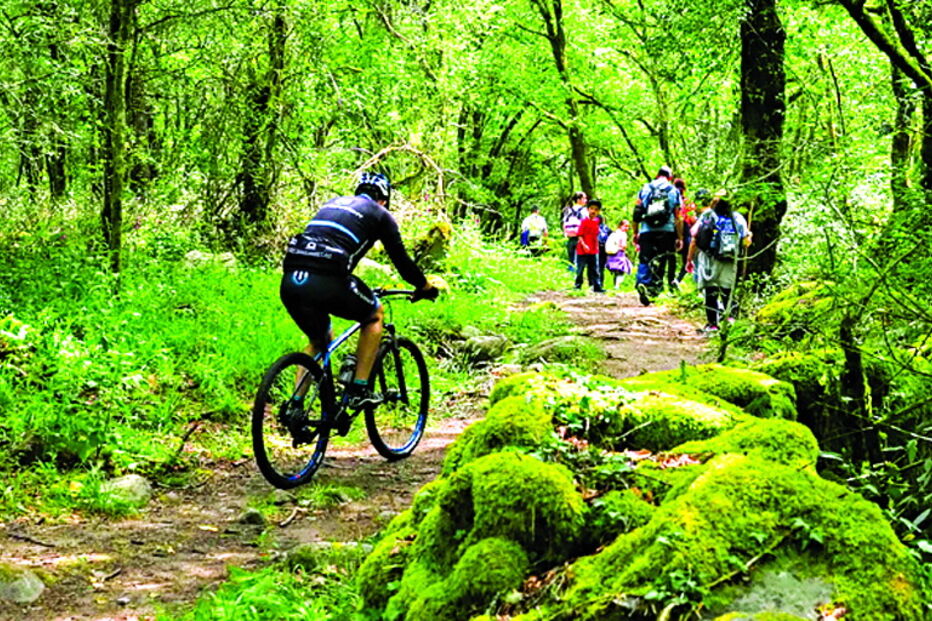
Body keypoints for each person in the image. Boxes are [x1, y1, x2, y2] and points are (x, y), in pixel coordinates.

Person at [280, 172, 438, 411]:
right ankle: (359, 390)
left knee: (319, 339)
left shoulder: (332, 204)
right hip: (328, 277)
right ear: (384, 200)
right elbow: (403, 263)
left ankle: (295, 406)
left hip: (291, 279)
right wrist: (424, 287)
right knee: (374, 314)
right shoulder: (380, 214)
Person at [686, 192, 751, 333]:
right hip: (729, 259)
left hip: (709, 258)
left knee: (710, 290)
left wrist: (689, 259)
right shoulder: (738, 218)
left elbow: (694, 235)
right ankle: (730, 320)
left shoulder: (708, 215)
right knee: (727, 289)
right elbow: (746, 241)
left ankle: (712, 324)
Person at [632, 166, 682, 306]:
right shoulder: (673, 191)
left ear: (657, 175)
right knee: (661, 259)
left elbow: (636, 212)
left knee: (645, 258)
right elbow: (678, 216)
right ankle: (654, 290)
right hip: (667, 230)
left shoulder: (646, 188)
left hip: (646, 230)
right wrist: (680, 237)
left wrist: (635, 232)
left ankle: (643, 282)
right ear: (670, 177)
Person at [674, 180, 701, 285]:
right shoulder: (687, 202)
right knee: (688, 258)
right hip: (685, 230)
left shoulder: (670, 200)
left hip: (669, 230)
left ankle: (660, 282)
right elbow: (692, 219)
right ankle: (677, 280)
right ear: (684, 189)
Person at [574, 199, 604, 292]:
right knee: (580, 268)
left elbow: (597, 235)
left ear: (598, 211)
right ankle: (578, 285)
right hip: (582, 250)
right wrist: (584, 245)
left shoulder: (597, 222)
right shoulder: (584, 221)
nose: (593, 211)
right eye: (591, 209)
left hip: (594, 249)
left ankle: (597, 286)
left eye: (596, 209)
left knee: (594, 269)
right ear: (588, 209)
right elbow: (579, 235)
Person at [562, 192, 588, 271]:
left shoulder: (568, 210)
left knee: (571, 260)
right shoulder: (584, 211)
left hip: (570, 238)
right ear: (579, 200)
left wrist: (565, 233)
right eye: (584, 198)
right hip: (580, 238)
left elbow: (564, 223)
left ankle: (570, 275)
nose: (586, 200)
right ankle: (577, 278)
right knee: (579, 260)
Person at [605, 220, 633, 288]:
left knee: (617, 270)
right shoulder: (623, 234)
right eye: (625, 226)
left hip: (613, 254)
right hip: (619, 254)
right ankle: (617, 285)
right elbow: (623, 245)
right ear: (621, 226)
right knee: (622, 269)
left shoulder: (614, 233)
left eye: (627, 227)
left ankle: (616, 285)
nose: (626, 228)